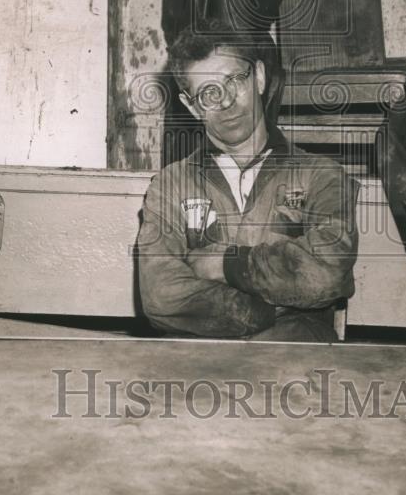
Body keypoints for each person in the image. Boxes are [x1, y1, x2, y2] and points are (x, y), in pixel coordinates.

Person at [136, 21, 360, 341]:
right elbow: (161, 295)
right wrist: (266, 310)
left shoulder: (321, 175)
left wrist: (228, 265)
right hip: (202, 370)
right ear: (191, 106)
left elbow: (326, 270)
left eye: (234, 81)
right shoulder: (171, 185)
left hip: (297, 372)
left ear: (258, 77)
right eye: (208, 93)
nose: (226, 101)